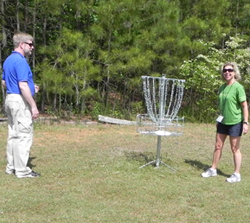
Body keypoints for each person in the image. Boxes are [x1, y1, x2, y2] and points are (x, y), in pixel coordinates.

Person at [201, 62, 248, 183]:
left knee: (234, 148)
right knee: (217, 146)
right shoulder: (222, 87)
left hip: (235, 122)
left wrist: (245, 123)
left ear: (234, 72)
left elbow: (244, 106)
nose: (227, 72)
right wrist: (219, 119)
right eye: (225, 70)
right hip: (223, 122)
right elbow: (222, 106)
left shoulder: (238, 87)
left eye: (230, 70)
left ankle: (236, 174)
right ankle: (213, 169)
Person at [1, 32, 40, 178]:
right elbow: (22, 85)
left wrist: (31, 88)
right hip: (19, 101)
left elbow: (4, 82)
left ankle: (11, 167)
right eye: (30, 44)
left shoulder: (8, 60)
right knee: (24, 135)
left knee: (13, 134)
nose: (32, 47)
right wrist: (33, 106)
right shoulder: (21, 61)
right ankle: (22, 171)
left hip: (10, 98)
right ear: (21, 44)